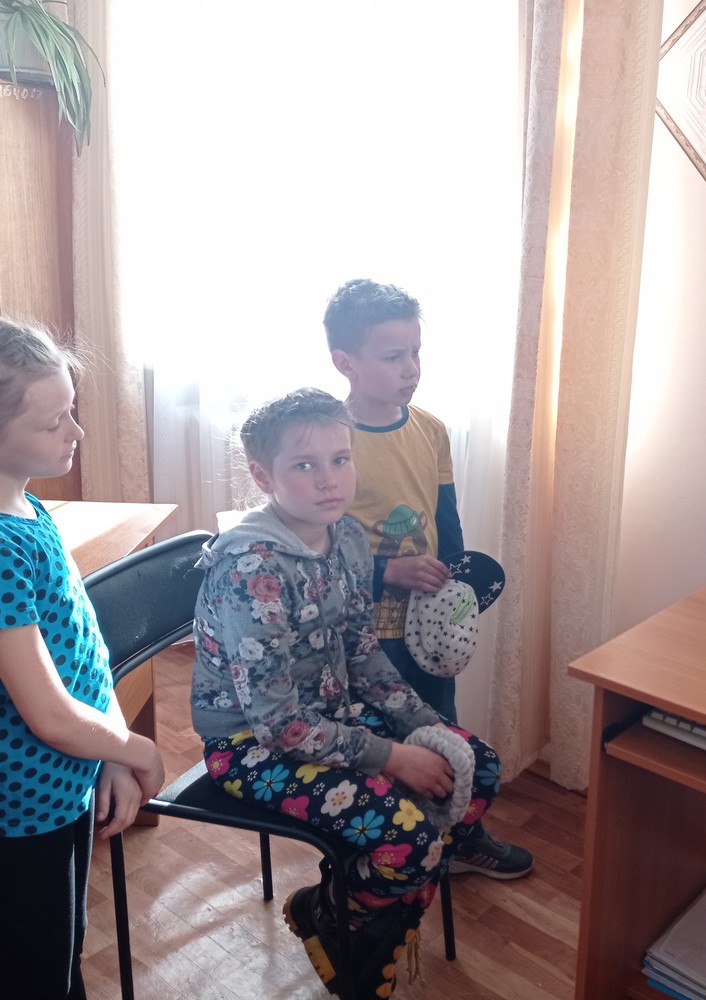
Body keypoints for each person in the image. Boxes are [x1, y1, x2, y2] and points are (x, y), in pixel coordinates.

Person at [190, 387, 500, 998]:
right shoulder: (253, 570)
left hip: (333, 718)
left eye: (340, 458)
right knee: (410, 839)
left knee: (478, 768)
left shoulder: (348, 537)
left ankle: (356, 911)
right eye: (304, 464)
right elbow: (279, 726)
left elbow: (361, 651)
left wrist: (420, 725)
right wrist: (392, 757)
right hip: (251, 748)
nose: (329, 479)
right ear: (263, 475)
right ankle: (335, 914)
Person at [322, 278, 533, 880]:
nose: (411, 368)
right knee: (388, 742)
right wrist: (387, 571)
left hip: (428, 629)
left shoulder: (431, 430)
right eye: (394, 356)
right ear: (345, 362)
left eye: (416, 352)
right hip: (365, 637)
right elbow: (316, 557)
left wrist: (458, 600)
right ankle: (387, 852)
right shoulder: (332, 444)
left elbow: (447, 524)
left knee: (444, 730)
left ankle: (461, 837)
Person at [0, 317, 165, 1000]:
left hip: (64, 785)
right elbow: (48, 713)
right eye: (54, 422)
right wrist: (136, 749)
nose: (77, 432)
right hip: (21, 812)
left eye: (71, 410)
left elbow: (82, 654)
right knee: (34, 972)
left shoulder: (26, 506)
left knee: (61, 952)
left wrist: (106, 755)